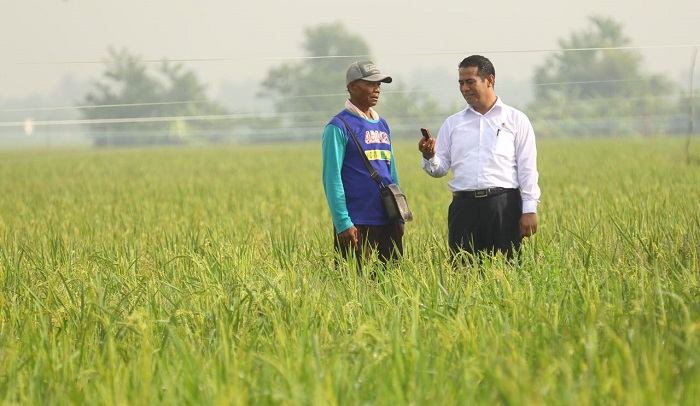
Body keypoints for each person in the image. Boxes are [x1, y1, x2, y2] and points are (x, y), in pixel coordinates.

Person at [418, 55, 540, 262]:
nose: (464, 88)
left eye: (470, 82)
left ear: (489, 80)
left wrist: (529, 209)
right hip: (463, 208)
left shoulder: (516, 120)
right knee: (462, 273)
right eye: (461, 83)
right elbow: (440, 169)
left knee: (507, 271)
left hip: (503, 206)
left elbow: (527, 168)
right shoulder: (453, 123)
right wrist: (429, 156)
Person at [322, 60, 404, 267]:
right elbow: (332, 179)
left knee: (391, 288)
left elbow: (391, 171)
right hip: (357, 223)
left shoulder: (382, 124)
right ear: (352, 87)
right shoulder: (338, 127)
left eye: (379, 84)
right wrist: (343, 224)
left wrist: (400, 215)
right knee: (354, 286)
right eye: (370, 84)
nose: (376, 89)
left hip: (387, 220)